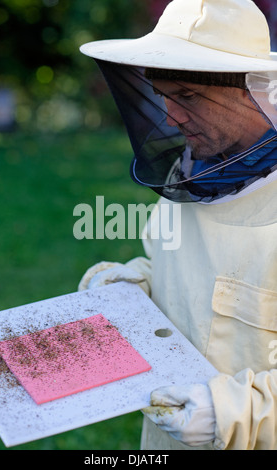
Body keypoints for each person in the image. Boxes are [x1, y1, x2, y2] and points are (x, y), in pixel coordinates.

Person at [79, 0, 277, 450]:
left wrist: (238, 415)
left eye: (187, 96)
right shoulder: (191, 175)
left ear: (254, 89)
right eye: (164, 96)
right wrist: (135, 286)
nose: (170, 117)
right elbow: (183, 274)